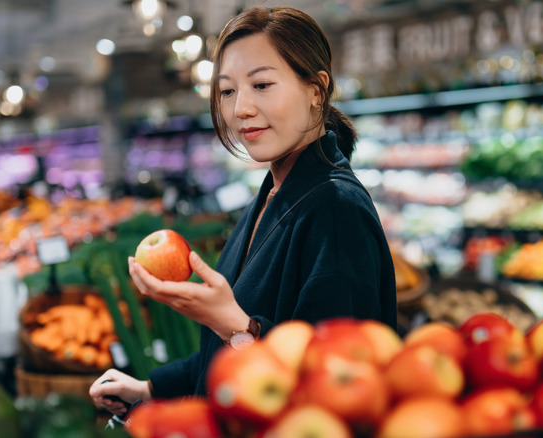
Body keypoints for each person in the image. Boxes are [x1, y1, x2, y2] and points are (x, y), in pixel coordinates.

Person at [90, 5, 397, 414]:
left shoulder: (335, 212)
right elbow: (225, 354)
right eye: (228, 91)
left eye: (262, 85)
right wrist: (151, 388)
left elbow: (335, 387)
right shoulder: (273, 192)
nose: (240, 110)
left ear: (316, 91)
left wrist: (233, 323)